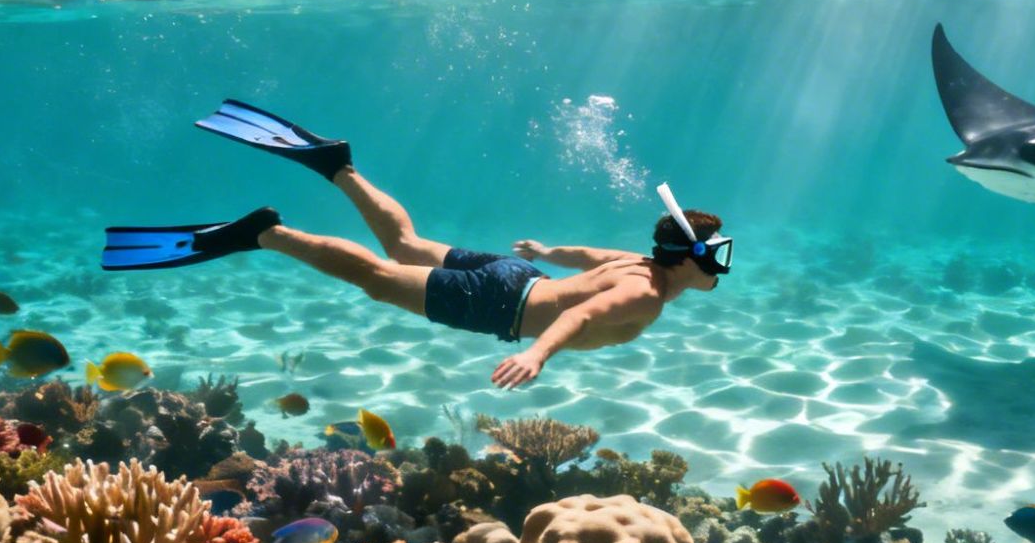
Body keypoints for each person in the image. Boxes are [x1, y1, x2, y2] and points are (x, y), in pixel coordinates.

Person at [101, 101, 732, 388]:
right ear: (694, 258)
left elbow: (581, 260)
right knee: (377, 277)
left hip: (514, 275)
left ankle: (337, 166)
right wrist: (539, 356)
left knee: (405, 240)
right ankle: (266, 233)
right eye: (720, 256)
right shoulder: (647, 293)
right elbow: (583, 313)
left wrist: (543, 247)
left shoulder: (636, 261)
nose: (723, 269)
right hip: (501, 306)